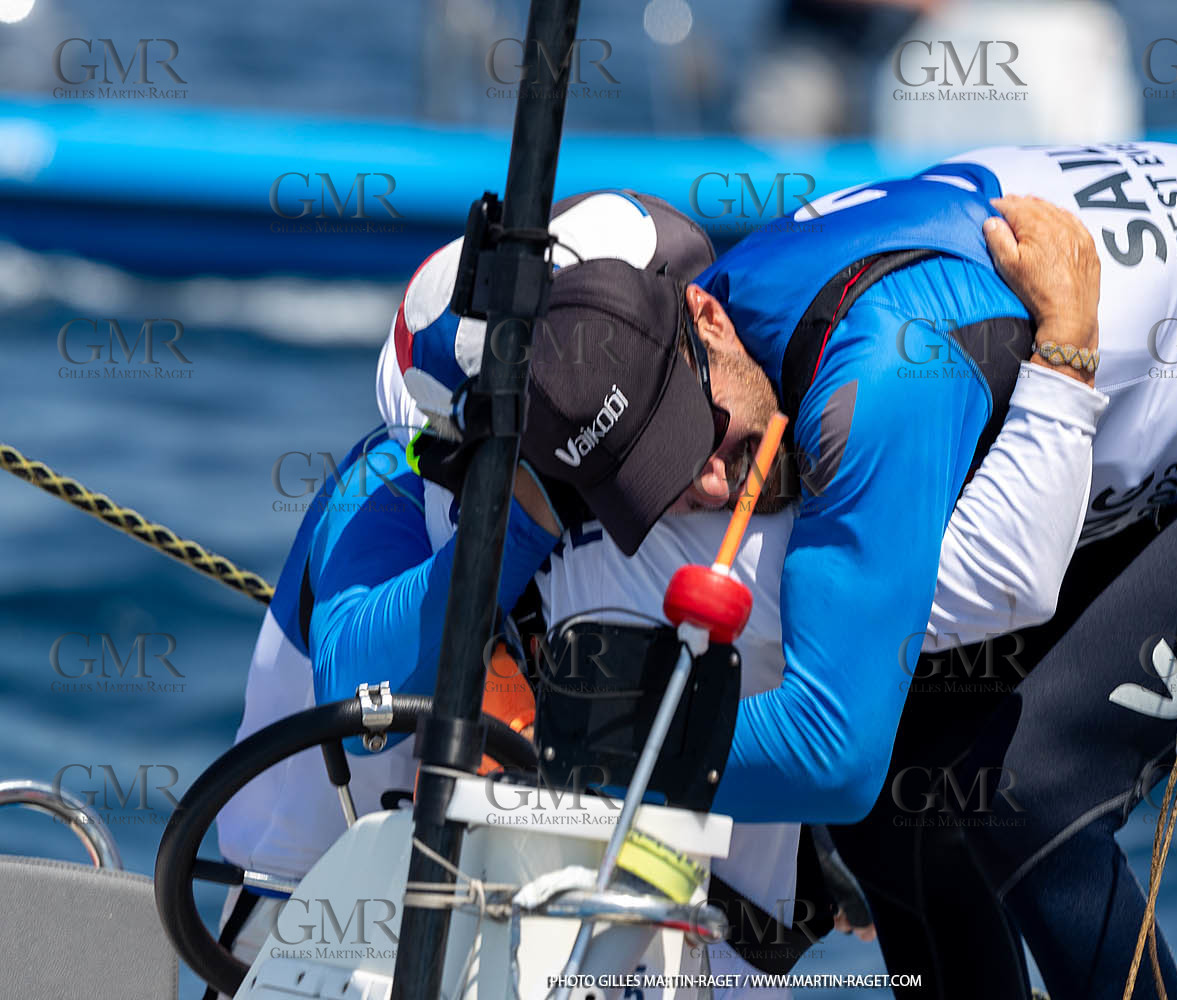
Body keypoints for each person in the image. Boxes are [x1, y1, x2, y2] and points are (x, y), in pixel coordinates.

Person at [491, 142, 1177, 998]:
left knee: (1032, 786)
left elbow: (831, 751)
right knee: (908, 799)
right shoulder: (734, 335)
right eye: (665, 482)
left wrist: (588, 750)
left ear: (708, 321)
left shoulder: (881, 371)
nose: (710, 481)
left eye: (695, 437)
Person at [214, 187, 1106, 993]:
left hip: (551, 927)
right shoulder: (391, 480)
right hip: (313, 943)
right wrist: (522, 510)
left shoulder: (693, 486)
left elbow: (948, 602)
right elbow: (358, 681)